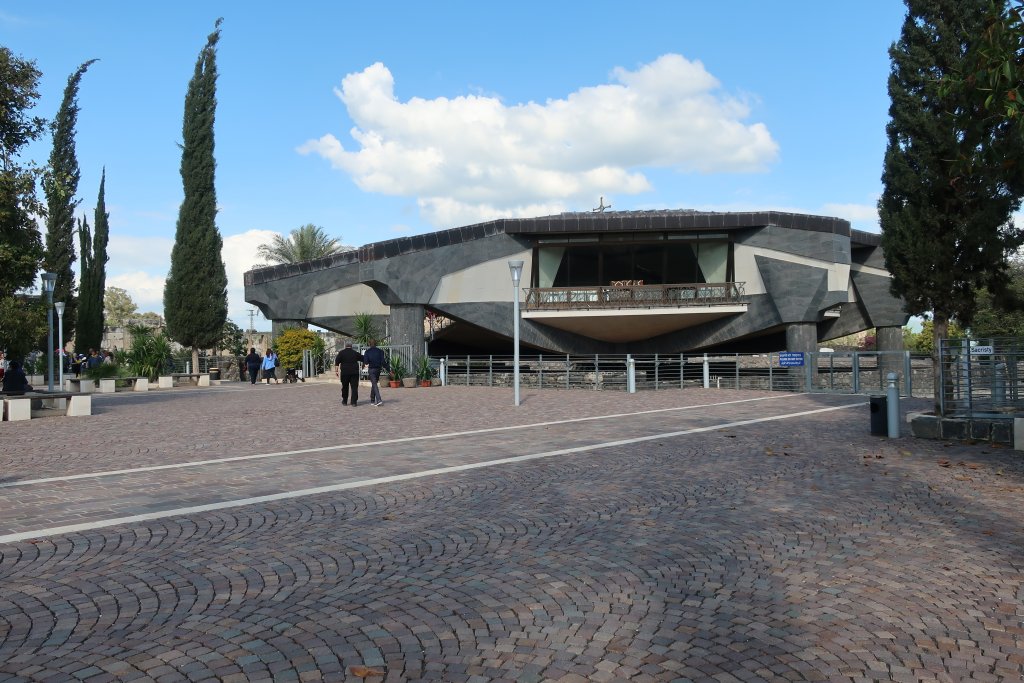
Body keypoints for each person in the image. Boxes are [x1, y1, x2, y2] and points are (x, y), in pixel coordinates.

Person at [334, 341, 363, 406]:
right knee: (354, 387)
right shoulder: (355, 353)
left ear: (345, 346)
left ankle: (344, 401)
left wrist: (336, 371)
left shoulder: (341, 353)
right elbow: (363, 358)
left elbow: (337, 362)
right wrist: (363, 366)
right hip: (354, 373)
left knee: (344, 387)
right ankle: (354, 402)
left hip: (345, 372)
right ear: (351, 346)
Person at [362, 339, 390, 407]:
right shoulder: (380, 351)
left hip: (371, 370)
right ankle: (372, 400)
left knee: (374, 384)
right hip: (378, 370)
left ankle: (379, 400)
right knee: (374, 384)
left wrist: (364, 364)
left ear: (369, 344)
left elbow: (366, 362)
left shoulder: (367, 352)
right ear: (376, 343)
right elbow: (383, 362)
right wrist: (388, 370)